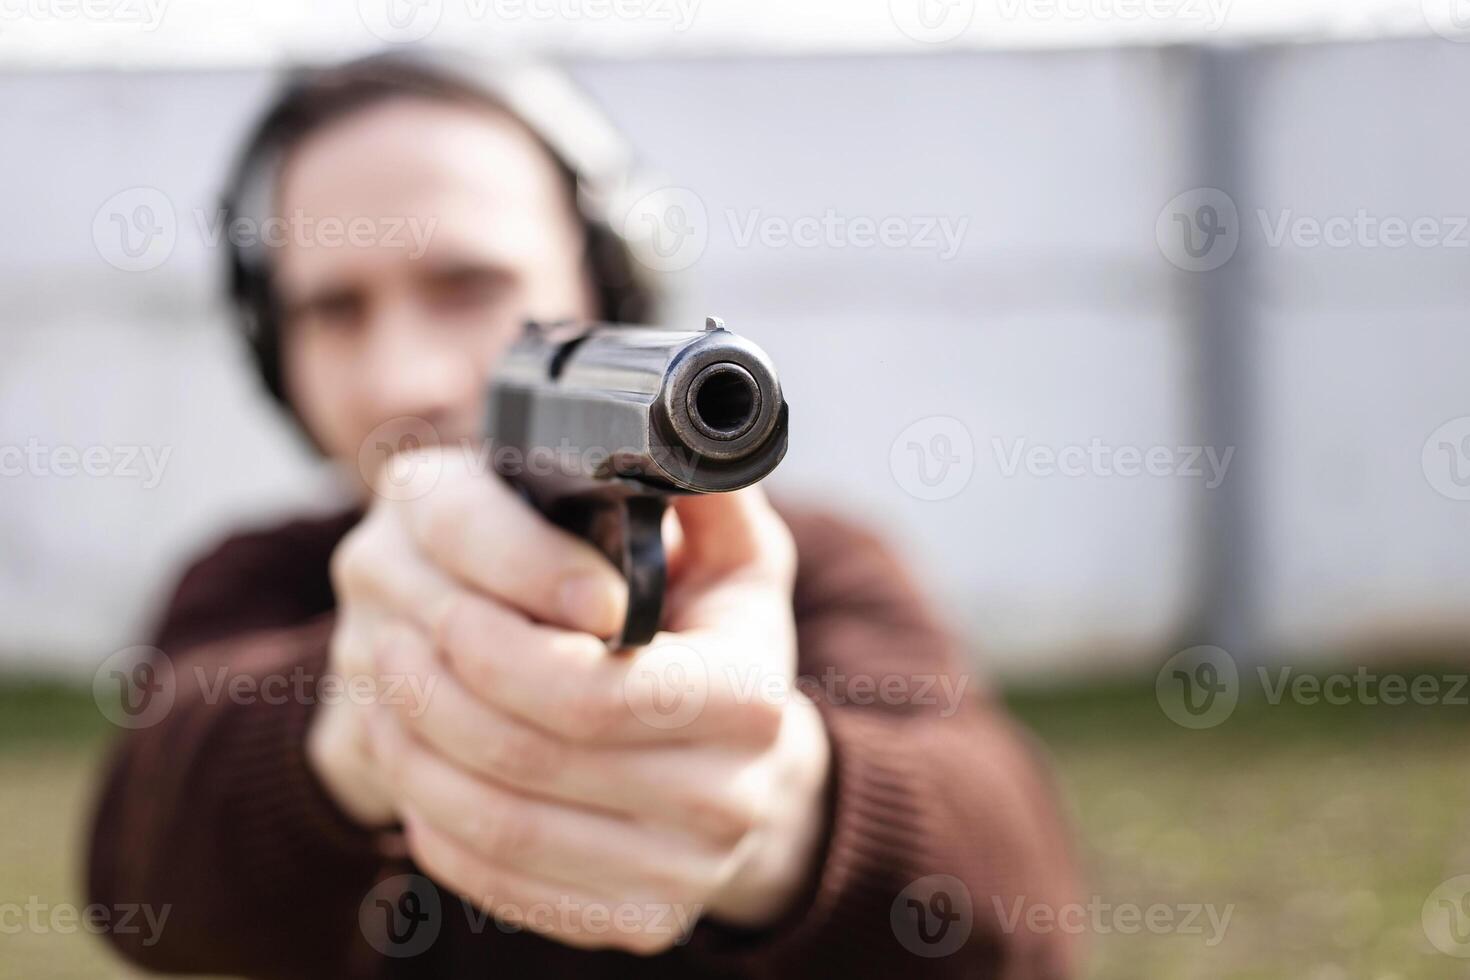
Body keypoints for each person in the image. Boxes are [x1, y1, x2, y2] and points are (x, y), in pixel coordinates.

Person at [87, 52, 1080, 978]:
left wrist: (787, 808)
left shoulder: (815, 563)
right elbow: (140, 874)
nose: (407, 377)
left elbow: (1024, 907)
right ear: (275, 353)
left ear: (606, 285)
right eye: (335, 310)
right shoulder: (256, 581)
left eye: (467, 285)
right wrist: (352, 722)